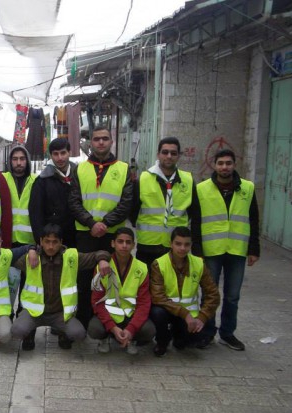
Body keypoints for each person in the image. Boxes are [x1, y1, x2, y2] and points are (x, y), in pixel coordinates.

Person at [68, 125, 133, 329]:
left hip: (112, 234)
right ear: (91, 142)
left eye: (105, 138)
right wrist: (91, 223)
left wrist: (105, 223)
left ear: (111, 141)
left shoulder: (124, 169)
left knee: (110, 277)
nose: (101, 142)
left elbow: (126, 203)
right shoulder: (79, 169)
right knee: (83, 279)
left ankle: (109, 322)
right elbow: (73, 201)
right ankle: (83, 320)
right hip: (85, 233)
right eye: (97, 139)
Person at [11, 223, 111, 351]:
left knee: (78, 334)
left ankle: (62, 334)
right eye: (47, 241)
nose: (51, 246)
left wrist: (102, 260)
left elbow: (99, 254)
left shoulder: (71, 258)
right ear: (41, 241)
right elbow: (7, 256)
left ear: (61, 242)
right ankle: (29, 335)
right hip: (34, 312)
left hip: (60, 313)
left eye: (55, 242)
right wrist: (30, 249)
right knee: (17, 330)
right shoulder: (31, 258)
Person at [197, 149, 260, 351]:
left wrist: (254, 249)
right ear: (214, 165)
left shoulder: (247, 188)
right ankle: (207, 332)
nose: (224, 167)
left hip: (237, 249)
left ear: (234, 165)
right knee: (209, 293)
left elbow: (253, 219)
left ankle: (227, 333)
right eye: (221, 163)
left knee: (232, 296)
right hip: (211, 249)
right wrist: (197, 250)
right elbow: (196, 221)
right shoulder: (201, 189)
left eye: (228, 163)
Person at [149, 226, 220, 356]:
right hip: (168, 311)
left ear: (191, 245)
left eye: (186, 244)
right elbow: (157, 297)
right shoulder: (159, 264)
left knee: (195, 339)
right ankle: (162, 341)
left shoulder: (199, 263)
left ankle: (178, 336)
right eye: (178, 244)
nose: (182, 248)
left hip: (189, 315)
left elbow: (213, 295)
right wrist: (184, 314)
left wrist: (202, 317)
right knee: (157, 312)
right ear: (171, 244)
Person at [130, 137, 201, 267]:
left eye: (173, 153)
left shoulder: (188, 180)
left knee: (174, 280)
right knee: (147, 280)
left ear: (179, 156)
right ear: (158, 154)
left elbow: (194, 213)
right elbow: (132, 211)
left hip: (177, 247)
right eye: (165, 152)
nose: (169, 156)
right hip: (148, 246)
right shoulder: (143, 179)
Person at [88, 227, 155, 355]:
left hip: (131, 315)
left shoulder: (142, 268)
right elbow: (97, 301)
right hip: (109, 314)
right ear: (113, 243)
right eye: (120, 241)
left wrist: (131, 329)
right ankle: (105, 338)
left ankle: (130, 339)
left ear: (133, 245)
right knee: (94, 329)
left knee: (149, 330)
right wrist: (112, 327)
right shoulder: (102, 267)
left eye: (128, 242)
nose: (124, 245)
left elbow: (144, 303)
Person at [29, 138, 78, 248]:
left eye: (63, 153)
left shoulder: (79, 176)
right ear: (51, 155)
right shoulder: (42, 181)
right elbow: (36, 215)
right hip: (52, 242)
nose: (60, 158)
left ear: (69, 153)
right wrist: (41, 241)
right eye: (55, 154)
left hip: (77, 239)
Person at [3, 145, 37, 246]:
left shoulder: (36, 181)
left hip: (30, 240)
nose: (18, 163)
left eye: (22, 159)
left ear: (27, 161)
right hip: (7, 238)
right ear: (10, 161)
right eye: (15, 159)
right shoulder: (2, 179)